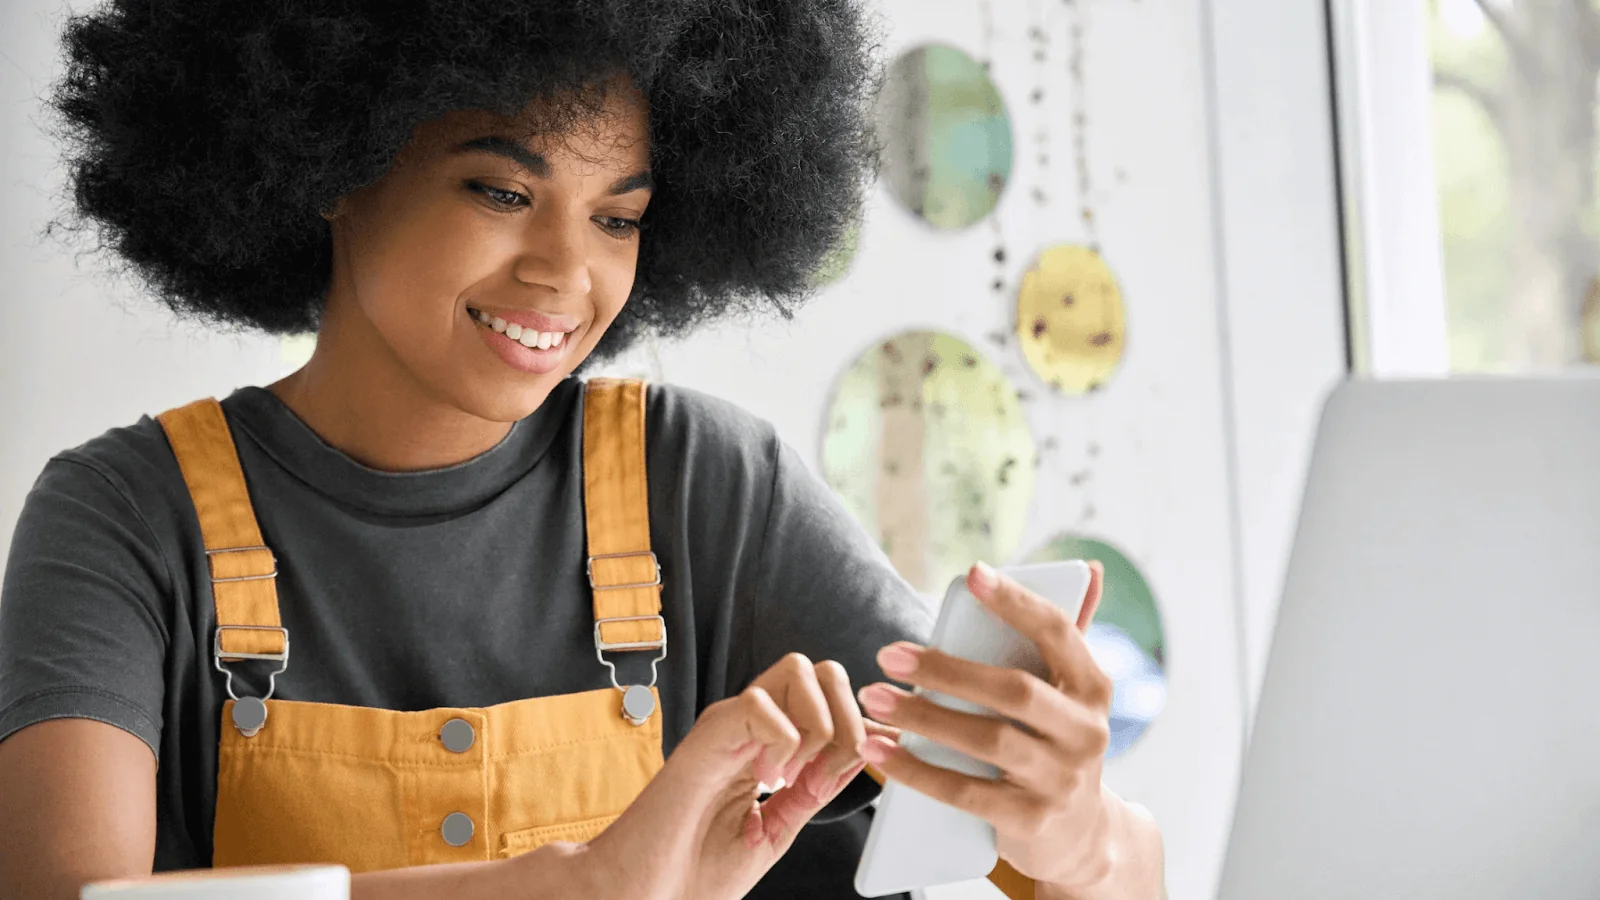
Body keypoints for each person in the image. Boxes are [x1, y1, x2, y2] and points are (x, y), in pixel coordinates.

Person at [0, 2, 1165, 898]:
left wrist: (1075, 835)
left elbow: (1108, 868)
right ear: (327, 169)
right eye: (502, 190)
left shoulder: (703, 487)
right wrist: (579, 886)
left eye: (618, 217)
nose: (567, 274)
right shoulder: (126, 516)